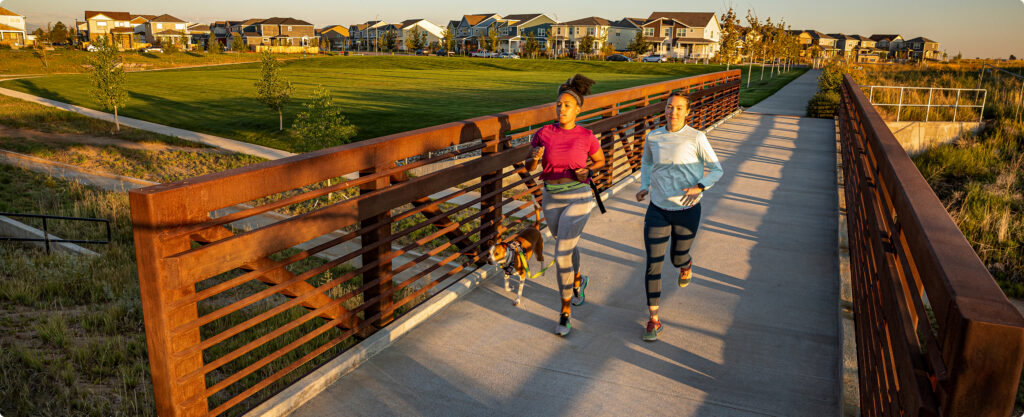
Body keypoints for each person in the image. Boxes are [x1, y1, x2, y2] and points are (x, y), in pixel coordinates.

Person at [635, 91, 723, 342]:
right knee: (653, 263)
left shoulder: (696, 137)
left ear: (687, 112)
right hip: (658, 209)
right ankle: (653, 319)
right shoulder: (654, 137)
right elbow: (647, 164)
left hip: (687, 209)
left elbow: (717, 168)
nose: (672, 112)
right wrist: (644, 185)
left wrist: (701, 186)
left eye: (678, 108)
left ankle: (686, 264)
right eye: (669, 107)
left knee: (676, 258)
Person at [525, 74, 606, 336]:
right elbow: (529, 167)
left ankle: (565, 313)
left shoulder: (586, 135)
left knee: (561, 254)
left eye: (567, 105)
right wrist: (533, 159)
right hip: (551, 196)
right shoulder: (543, 134)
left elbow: (599, 161)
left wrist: (587, 172)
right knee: (565, 242)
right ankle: (580, 280)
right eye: (559, 104)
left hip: (579, 197)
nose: (561, 109)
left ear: (578, 109)